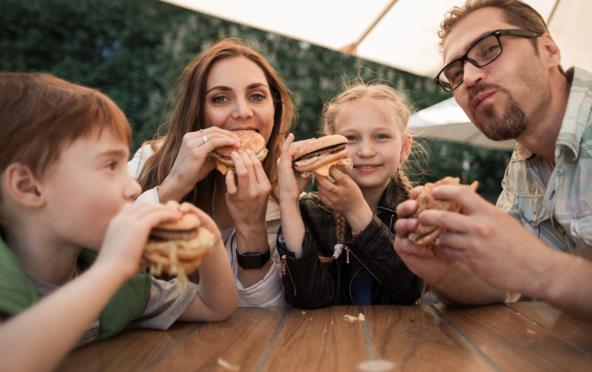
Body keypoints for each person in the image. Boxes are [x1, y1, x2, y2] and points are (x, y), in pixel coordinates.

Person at [0, 73, 238, 371]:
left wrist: (210, 243)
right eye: (111, 166)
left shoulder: (117, 286)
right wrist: (111, 268)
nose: (135, 188)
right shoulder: (108, 272)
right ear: (28, 187)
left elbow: (216, 306)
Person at [393, 0, 592, 319]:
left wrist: (540, 269)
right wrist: (444, 272)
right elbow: (501, 283)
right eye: (455, 73)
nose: (469, 77)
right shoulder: (522, 166)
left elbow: (530, 269)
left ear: (549, 50)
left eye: (488, 49)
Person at [128, 38, 295, 307]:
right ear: (197, 111)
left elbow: (266, 314)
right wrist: (174, 185)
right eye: (220, 98)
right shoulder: (150, 160)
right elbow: (99, 256)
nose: (242, 112)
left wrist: (251, 227)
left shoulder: (285, 189)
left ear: (274, 106)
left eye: (256, 96)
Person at [276, 83, 423, 308]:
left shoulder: (417, 211)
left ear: (404, 148)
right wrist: (288, 200)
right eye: (351, 138)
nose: (365, 151)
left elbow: (409, 290)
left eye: (381, 136)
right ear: (329, 148)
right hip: (327, 339)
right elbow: (306, 298)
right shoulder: (309, 210)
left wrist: (356, 210)